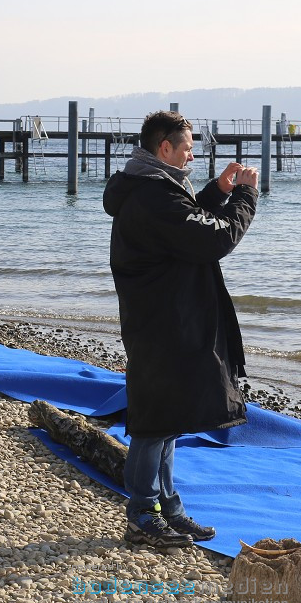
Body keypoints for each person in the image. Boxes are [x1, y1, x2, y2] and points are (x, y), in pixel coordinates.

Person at [102, 110, 259, 548]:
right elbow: (212, 239)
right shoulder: (153, 195)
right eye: (187, 147)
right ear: (163, 148)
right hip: (160, 323)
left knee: (167, 419)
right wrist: (246, 196)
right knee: (153, 424)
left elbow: (184, 226)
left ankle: (168, 508)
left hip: (163, 318)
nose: (192, 154)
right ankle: (142, 513)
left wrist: (218, 190)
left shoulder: (152, 186)